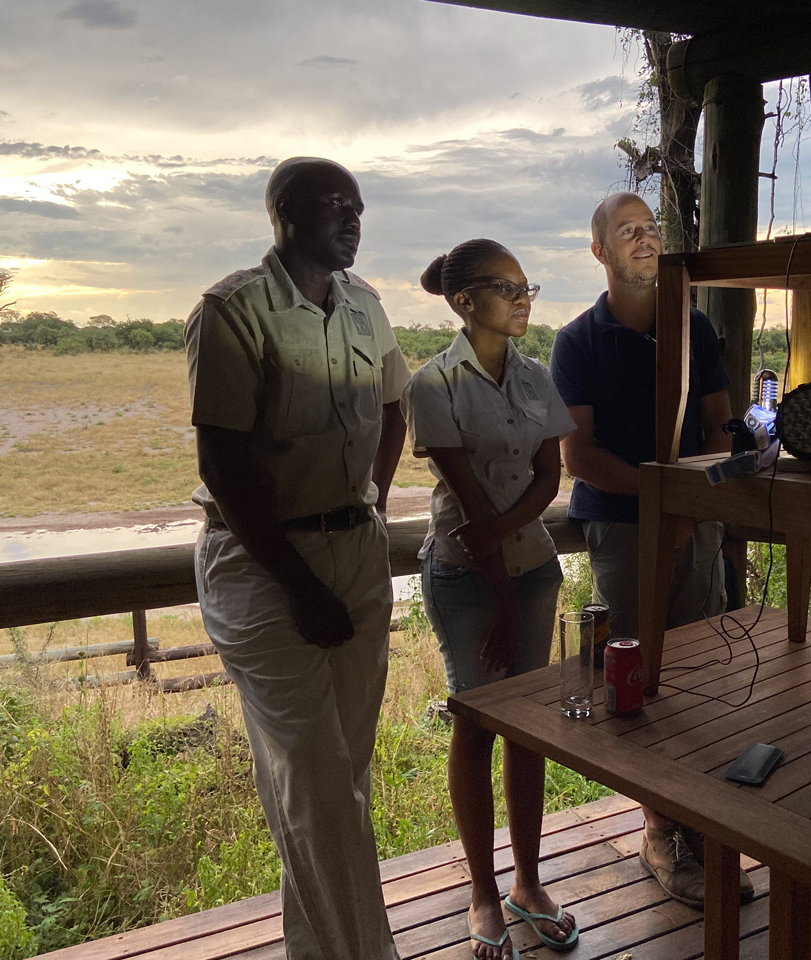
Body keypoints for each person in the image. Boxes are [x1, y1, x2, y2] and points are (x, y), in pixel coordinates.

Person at [185, 157, 408, 960]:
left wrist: (370, 504)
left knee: (340, 779)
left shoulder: (365, 308)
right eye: (332, 206)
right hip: (265, 564)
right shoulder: (233, 312)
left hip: (357, 549)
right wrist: (301, 584)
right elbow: (226, 467)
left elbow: (392, 409)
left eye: (358, 207)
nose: (351, 220)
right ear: (282, 215)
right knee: (315, 778)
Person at [549, 191, 754, 907]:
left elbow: (719, 427)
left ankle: (702, 822)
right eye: (627, 231)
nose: (645, 240)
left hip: (693, 525)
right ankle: (659, 831)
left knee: (699, 672)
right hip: (624, 528)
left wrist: (702, 505)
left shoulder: (694, 327)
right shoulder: (577, 342)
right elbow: (581, 456)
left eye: (653, 229)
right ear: (600, 251)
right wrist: (662, 498)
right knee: (639, 682)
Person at [403, 239, 580, 960]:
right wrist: (501, 594)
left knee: (529, 727)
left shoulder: (537, 377)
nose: (522, 298)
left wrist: (513, 547)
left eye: (525, 285)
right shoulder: (433, 384)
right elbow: (468, 506)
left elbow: (549, 478)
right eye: (505, 288)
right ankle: (483, 891)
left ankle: (529, 883)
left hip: (532, 568)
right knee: (477, 722)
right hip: (465, 574)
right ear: (463, 300)